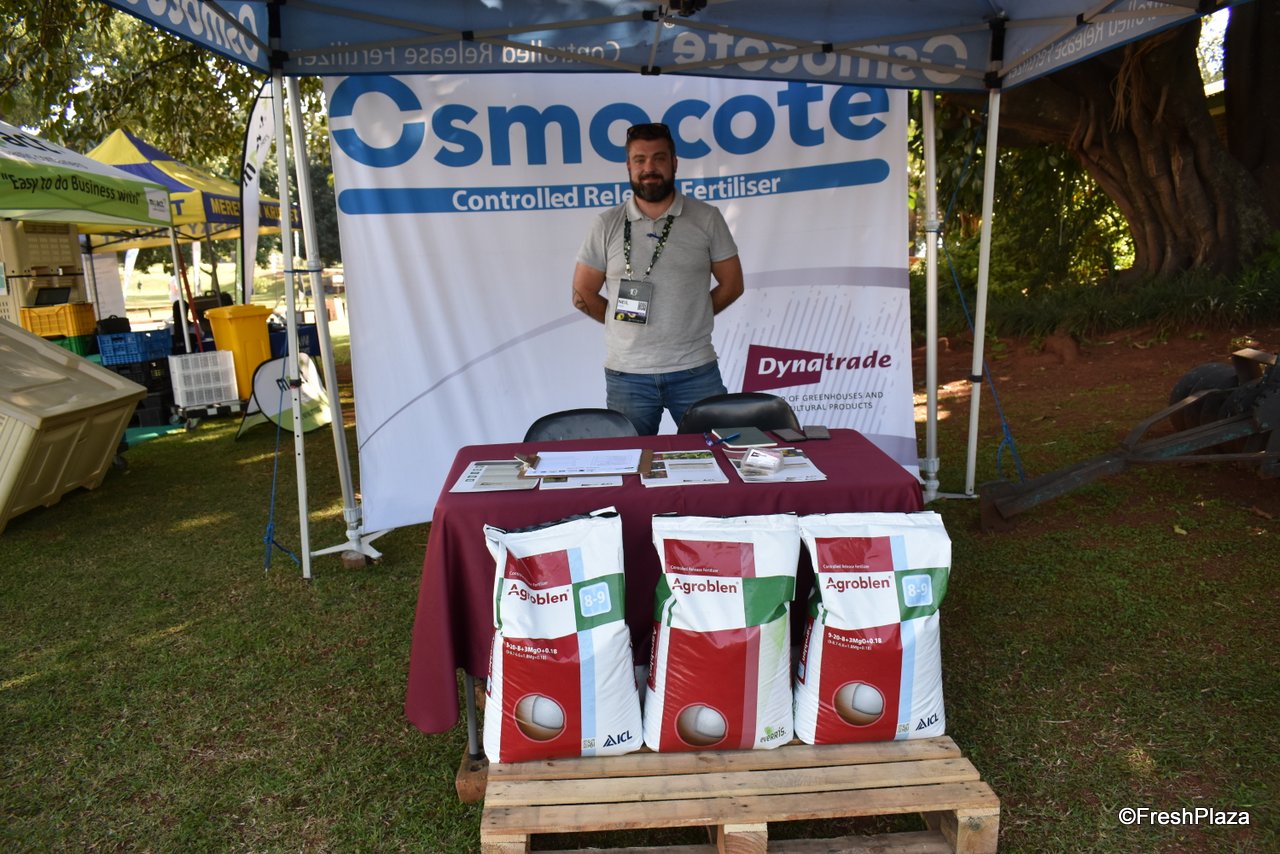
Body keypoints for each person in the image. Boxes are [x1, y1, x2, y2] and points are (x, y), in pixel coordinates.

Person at [571, 122, 744, 435]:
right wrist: (620, 322)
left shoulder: (707, 218)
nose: (649, 168)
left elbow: (733, 285)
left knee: (717, 454)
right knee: (631, 461)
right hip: (628, 376)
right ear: (628, 166)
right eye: (640, 160)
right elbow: (582, 293)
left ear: (674, 163)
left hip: (695, 370)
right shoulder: (606, 224)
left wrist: (691, 314)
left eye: (659, 158)